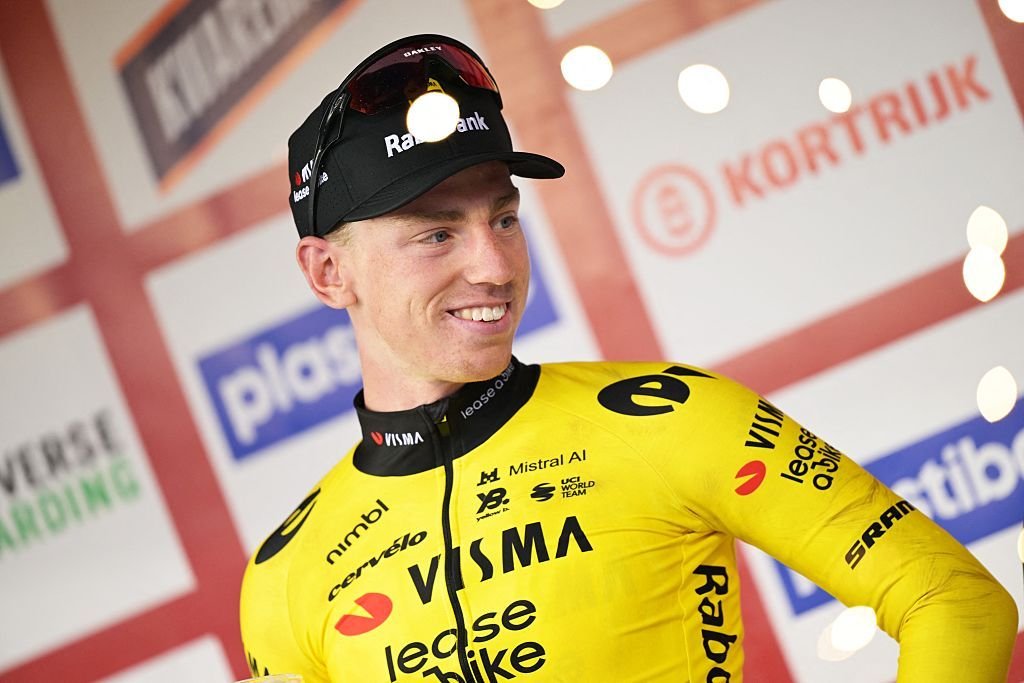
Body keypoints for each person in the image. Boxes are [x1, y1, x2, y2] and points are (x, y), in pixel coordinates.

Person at [239, 34, 1018, 682]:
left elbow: (954, 601)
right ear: (328, 272)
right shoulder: (284, 576)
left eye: (504, 219)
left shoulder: (670, 417)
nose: (495, 266)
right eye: (438, 233)